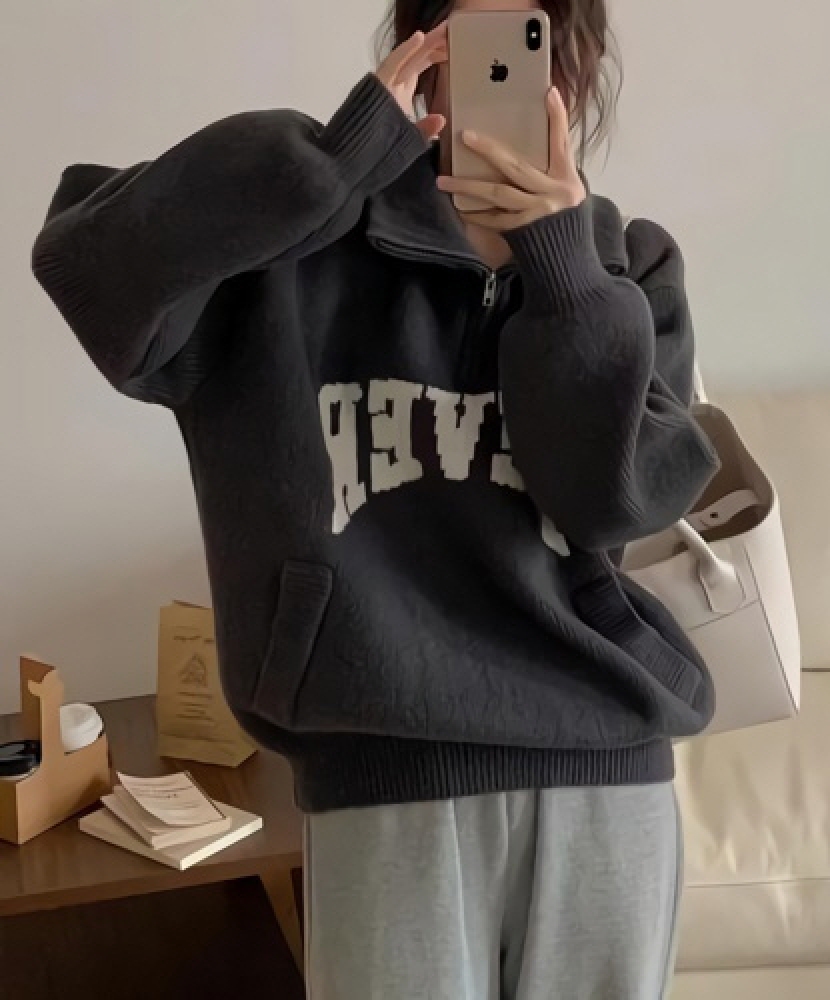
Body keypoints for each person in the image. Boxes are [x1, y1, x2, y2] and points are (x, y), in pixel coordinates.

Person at [30, 0, 721, 996]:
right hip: (382, 775)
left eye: (531, 43)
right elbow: (89, 269)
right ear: (419, 47)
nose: (499, 73)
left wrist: (562, 273)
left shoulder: (626, 270)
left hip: (605, 769)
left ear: (574, 67)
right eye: (468, 41)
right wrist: (334, 159)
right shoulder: (285, 251)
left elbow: (618, 502)